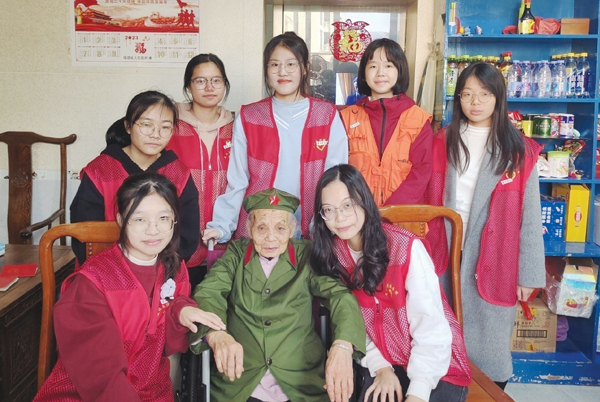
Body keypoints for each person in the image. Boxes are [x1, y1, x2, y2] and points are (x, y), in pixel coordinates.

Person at [35, 172, 226, 402]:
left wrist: (180, 310)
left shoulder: (175, 269)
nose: (153, 230)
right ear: (121, 220)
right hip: (91, 393)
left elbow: (165, 335)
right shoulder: (93, 282)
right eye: (139, 219)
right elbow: (99, 375)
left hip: (152, 389)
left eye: (163, 218)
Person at [424, 62, 545, 389]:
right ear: (458, 98)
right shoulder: (442, 140)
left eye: (484, 94)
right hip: (447, 246)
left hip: (495, 251)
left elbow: (530, 218)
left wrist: (528, 274)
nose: (474, 102)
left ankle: (489, 389)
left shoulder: (518, 150)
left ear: (498, 97)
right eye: (467, 94)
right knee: (441, 338)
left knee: (489, 346)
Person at [311, 164, 472, 402]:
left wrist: (417, 394)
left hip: (435, 367)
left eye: (347, 205)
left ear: (364, 201)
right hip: (381, 362)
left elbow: (431, 328)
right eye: (328, 210)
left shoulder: (406, 248)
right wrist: (381, 367)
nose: (339, 218)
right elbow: (352, 322)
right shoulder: (333, 256)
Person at [190, 188, 366, 402]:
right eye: (262, 227)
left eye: (280, 228)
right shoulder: (237, 253)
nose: (271, 237)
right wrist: (217, 335)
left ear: (292, 229)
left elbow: (340, 296)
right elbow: (209, 291)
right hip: (240, 382)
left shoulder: (305, 255)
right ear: (249, 229)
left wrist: (343, 345)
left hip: (301, 383)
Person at [204, 31, 348, 244]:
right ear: (266, 69)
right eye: (274, 64)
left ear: (305, 68)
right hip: (260, 228)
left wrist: (329, 225)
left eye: (291, 64)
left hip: (313, 229)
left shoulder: (326, 115)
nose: (283, 72)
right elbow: (237, 181)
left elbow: (336, 178)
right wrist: (221, 225)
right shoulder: (249, 116)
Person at [70, 90, 199, 265]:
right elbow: (85, 236)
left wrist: (151, 269)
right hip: (103, 271)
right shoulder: (99, 171)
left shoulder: (179, 174)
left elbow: (187, 237)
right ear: (128, 126)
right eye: (146, 125)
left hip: (162, 271)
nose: (155, 134)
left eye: (165, 127)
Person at [339, 39, 433, 206]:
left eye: (388, 66)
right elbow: (338, 170)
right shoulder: (346, 118)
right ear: (364, 73)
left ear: (400, 71)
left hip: (402, 215)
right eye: (373, 66)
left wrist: (390, 213)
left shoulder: (418, 119)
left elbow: (422, 171)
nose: (380, 73)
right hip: (356, 213)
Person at [167, 53, 234, 282]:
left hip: (227, 244)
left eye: (216, 80)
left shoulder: (237, 127)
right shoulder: (170, 126)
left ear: (224, 84)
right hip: (179, 242)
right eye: (200, 81)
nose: (209, 87)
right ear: (188, 86)